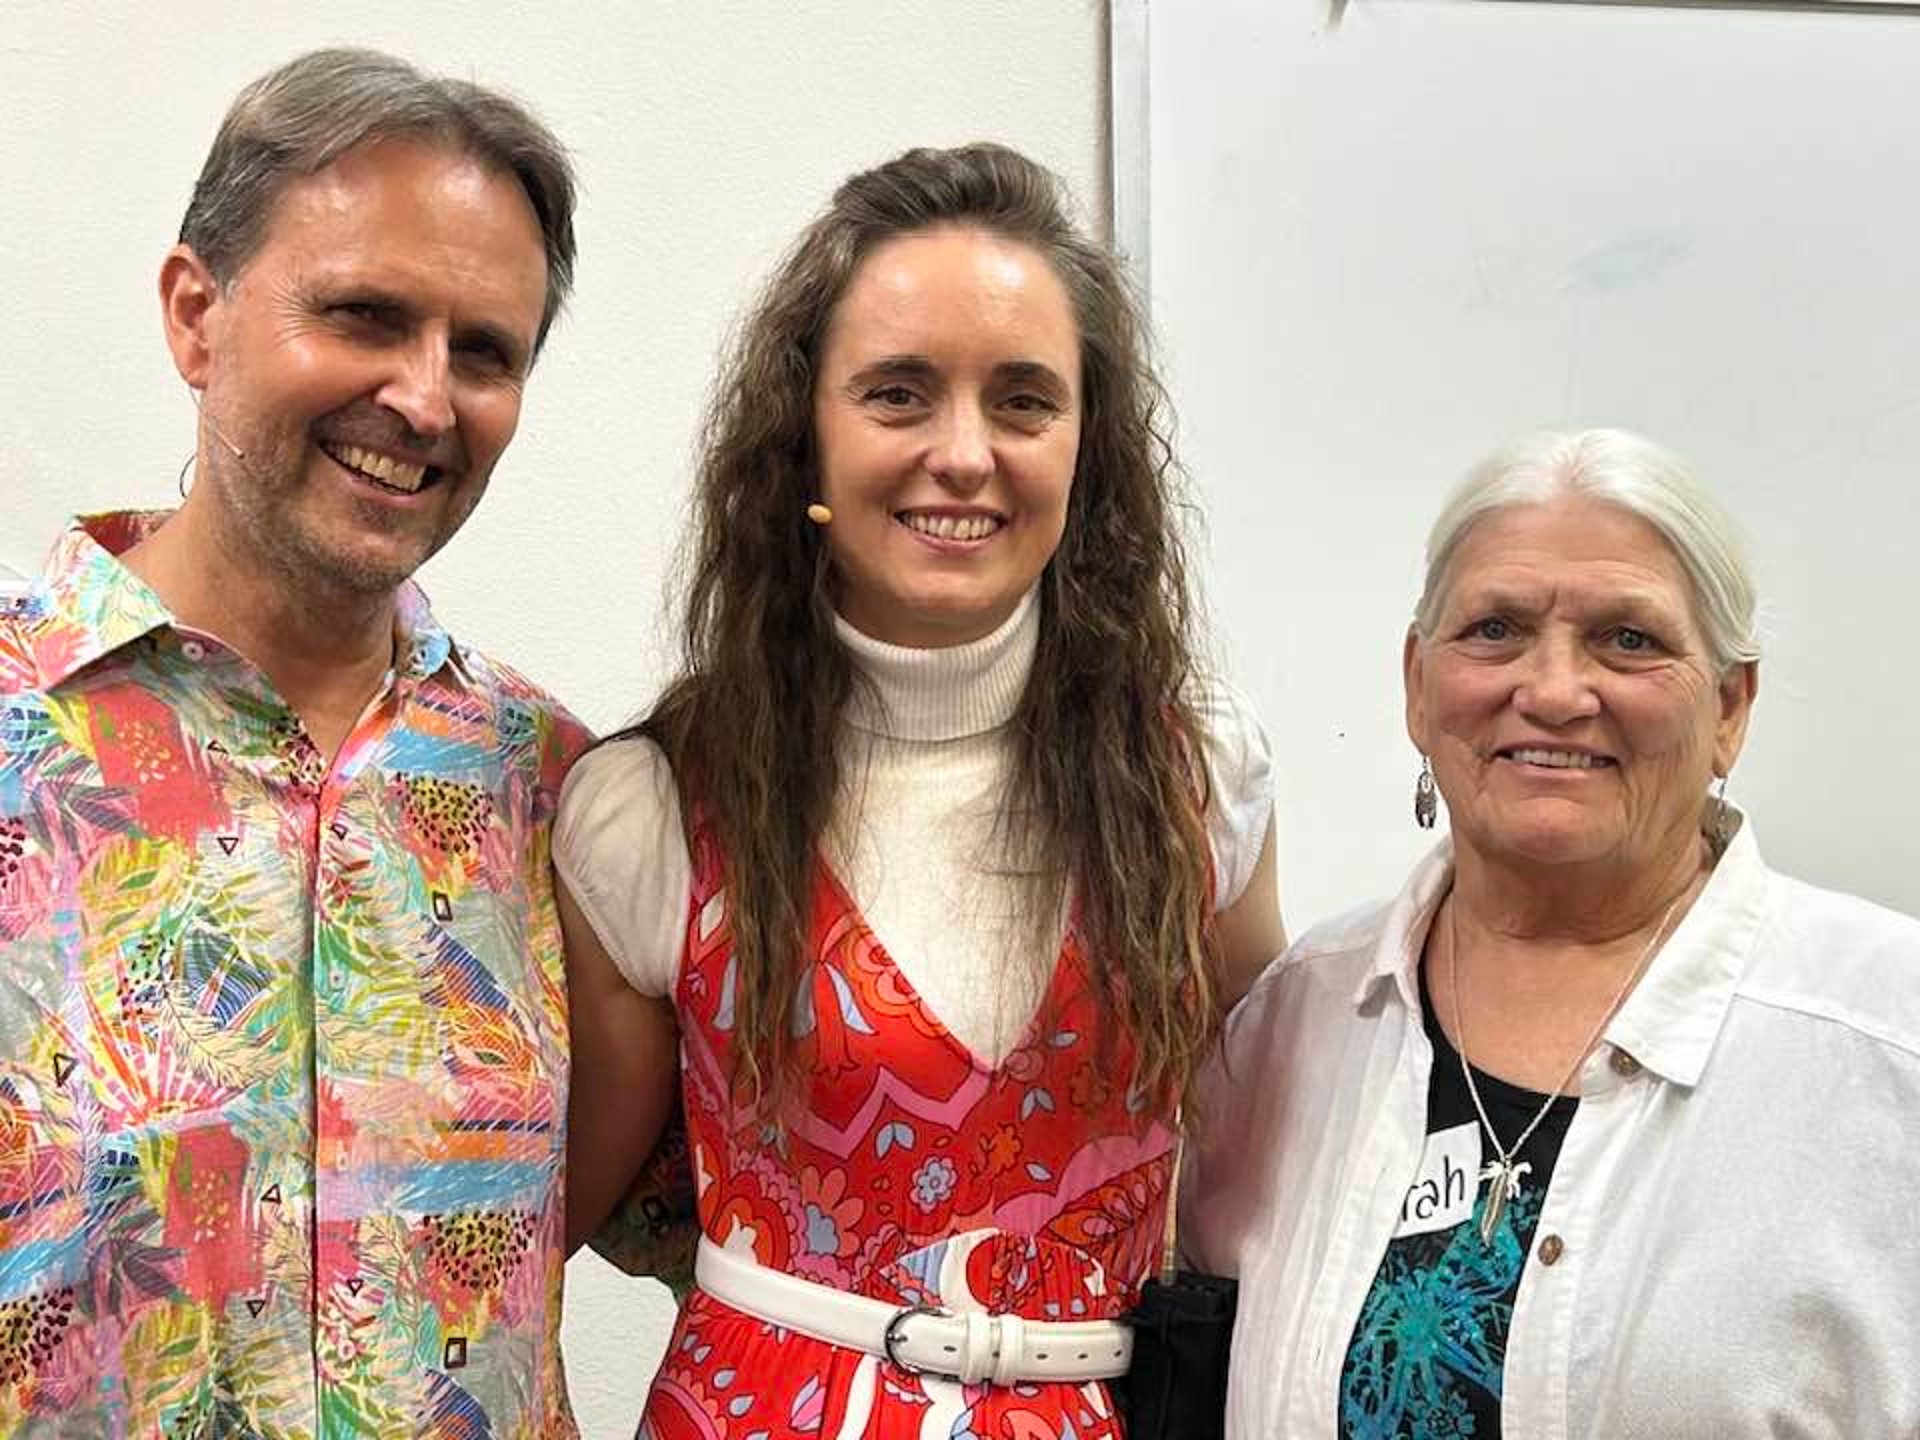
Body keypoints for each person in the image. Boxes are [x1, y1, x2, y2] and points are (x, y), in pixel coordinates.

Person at [557, 143, 1285, 1437]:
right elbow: (543, 1221)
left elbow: (1270, 1187)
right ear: (806, 445)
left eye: (1023, 401)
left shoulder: (1199, 783)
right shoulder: (655, 807)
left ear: (1088, 448)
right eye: (898, 395)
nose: (964, 453)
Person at [0, 49, 588, 1435]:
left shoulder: (555, 791)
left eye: (485, 350)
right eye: (364, 314)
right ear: (196, 317)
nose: (428, 399)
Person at [1184, 428, 1920, 1437]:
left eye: (1630, 639)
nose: (1556, 691)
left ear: (1730, 707)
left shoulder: (1886, 1046)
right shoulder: (1291, 1026)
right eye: (1494, 630)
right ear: (1416, 683)